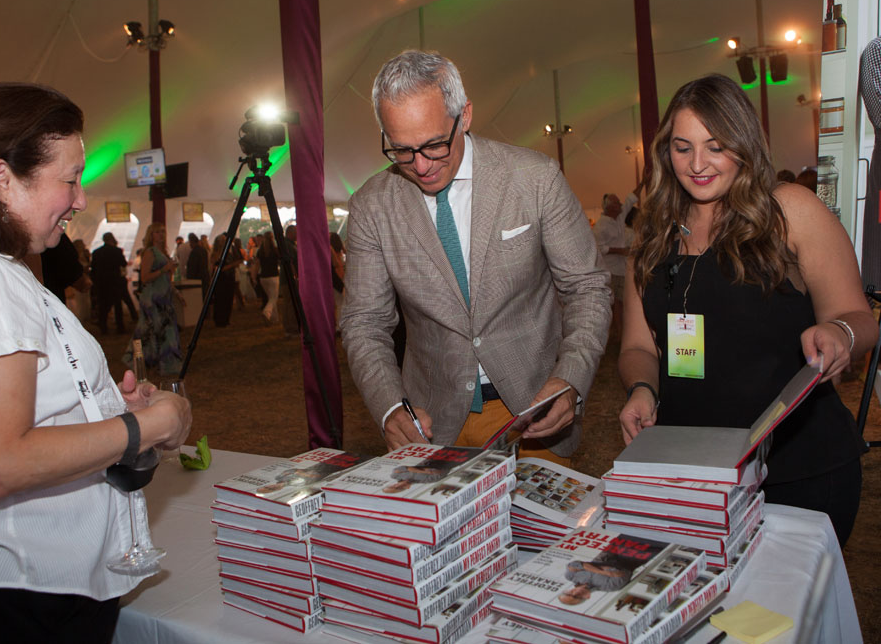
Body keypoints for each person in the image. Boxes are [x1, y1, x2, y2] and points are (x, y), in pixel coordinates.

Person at [0, 83, 191, 641]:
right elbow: (3, 461)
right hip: (8, 598)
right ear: (2, 177)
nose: (78, 199)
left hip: (21, 593)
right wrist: (149, 424)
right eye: (69, 179)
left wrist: (95, 410)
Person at [618, 74, 875, 547]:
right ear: (664, 152)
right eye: (682, 147)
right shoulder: (653, 236)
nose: (698, 164)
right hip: (693, 466)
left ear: (744, 144)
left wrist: (839, 334)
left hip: (797, 465)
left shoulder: (789, 210)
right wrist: (641, 387)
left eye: (716, 146)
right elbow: (638, 345)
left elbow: (858, 317)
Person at [340, 50, 611, 460]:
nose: (421, 165)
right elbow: (364, 321)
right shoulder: (371, 206)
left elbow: (587, 287)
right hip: (430, 419)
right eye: (401, 150)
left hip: (531, 410)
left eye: (434, 144)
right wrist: (390, 406)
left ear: (464, 116)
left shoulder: (534, 180)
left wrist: (571, 376)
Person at [124, 223, 183, 377]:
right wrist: (165, 268)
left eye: (163, 232)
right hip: (152, 298)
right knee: (150, 331)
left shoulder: (163, 251)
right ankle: (142, 361)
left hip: (164, 297)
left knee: (165, 330)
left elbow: (166, 279)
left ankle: (165, 363)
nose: (161, 235)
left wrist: (176, 292)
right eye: (157, 232)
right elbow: (144, 278)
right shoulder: (150, 252)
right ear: (151, 235)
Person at [593, 193, 634, 338]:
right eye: (617, 203)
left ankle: (620, 333)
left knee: (621, 303)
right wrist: (619, 250)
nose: (621, 205)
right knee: (615, 303)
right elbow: (598, 248)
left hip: (622, 269)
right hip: (610, 270)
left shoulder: (619, 219)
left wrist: (643, 182)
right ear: (610, 207)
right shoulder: (601, 226)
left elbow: (630, 200)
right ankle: (617, 333)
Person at [92, 232, 131, 333]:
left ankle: (103, 326)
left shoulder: (96, 252)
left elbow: (93, 267)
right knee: (117, 304)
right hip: (114, 280)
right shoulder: (117, 251)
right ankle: (120, 327)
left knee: (103, 305)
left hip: (102, 282)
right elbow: (123, 263)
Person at [210, 233, 242, 327]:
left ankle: (226, 319)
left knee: (228, 299)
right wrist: (232, 265)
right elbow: (218, 267)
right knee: (220, 300)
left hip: (229, 278)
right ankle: (220, 320)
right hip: (221, 279)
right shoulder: (216, 253)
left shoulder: (229, 252)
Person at [256, 230, 281, 323]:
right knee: (273, 298)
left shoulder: (260, 251)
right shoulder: (275, 250)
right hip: (273, 276)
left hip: (263, 277)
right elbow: (280, 262)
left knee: (270, 297)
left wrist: (254, 276)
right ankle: (267, 312)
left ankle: (274, 318)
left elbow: (257, 264)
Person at [280, 224, 300, 336]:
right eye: (296, 232)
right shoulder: (288, 245)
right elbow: (290, 262)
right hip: (289, 279)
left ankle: (289, 327)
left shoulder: (289, 244)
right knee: (291, 303)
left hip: (287, 279)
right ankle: (291, 328)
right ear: (290, 233)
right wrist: (295, 277)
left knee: (289, 303)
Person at [330, 232, 346, 324]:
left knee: (338, 302)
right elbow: (336, 263)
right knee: (341, 302)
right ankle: (340, 325)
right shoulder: (339, 251)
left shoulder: (329, 248)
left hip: (334, 277)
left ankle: (337, 324)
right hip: (340, 276)